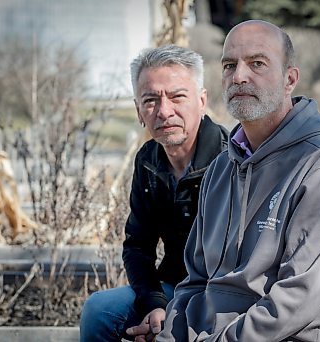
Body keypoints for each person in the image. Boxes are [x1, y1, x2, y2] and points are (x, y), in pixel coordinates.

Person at [158, 20, 320, 341]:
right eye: (230, 65)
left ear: (290, 79)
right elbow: (195, 280)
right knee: (103, 315)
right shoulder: (220, 169)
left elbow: (295, 300)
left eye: (257, 63)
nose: (239, 76)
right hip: (211, 334)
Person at [79, 44, 229, 342]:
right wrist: (155, 305)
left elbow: (238, 262)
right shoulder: (148, 159)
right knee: (99, 310)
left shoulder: (230, 161)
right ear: (138, 111)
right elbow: (137, 245)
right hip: (172, 287)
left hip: (223, 297)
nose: (164, 111)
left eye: (177, 97)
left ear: (201, 101)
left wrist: (177, 317)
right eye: (150, 100)